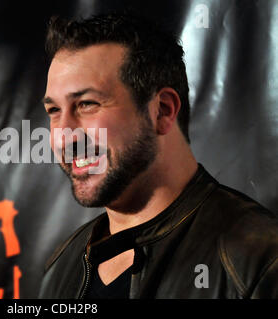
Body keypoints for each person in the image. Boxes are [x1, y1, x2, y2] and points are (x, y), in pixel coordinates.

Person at [38, 12, 278, 299]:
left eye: (87, 104)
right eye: (54, 111)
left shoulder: (260, 260)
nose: (64, 135)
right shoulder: (63, 263)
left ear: (162, 110)